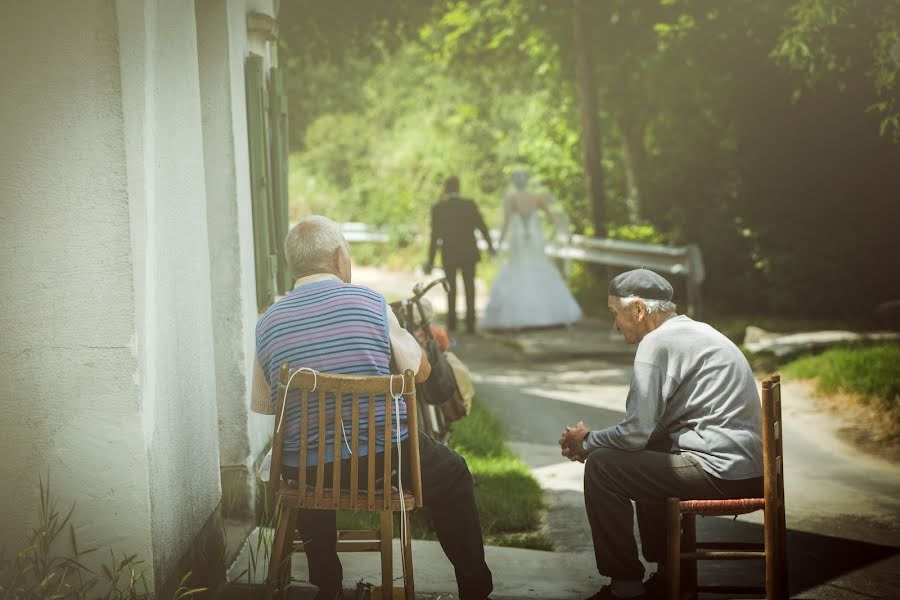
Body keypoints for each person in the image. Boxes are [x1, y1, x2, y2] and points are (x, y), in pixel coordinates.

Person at [251, 216, 494, 600]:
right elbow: (422, 372)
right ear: (338, 258)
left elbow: (265, 406)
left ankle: (326, 583)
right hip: (384, 462)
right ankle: (475, 587)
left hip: (306, 469)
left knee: (313, 465)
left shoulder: (267, 323)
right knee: (454, 473)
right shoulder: (371, 304)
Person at [559, 269, 764, 600]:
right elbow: (648, 434)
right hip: (748, 470)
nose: (615, 325)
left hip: (720, 472)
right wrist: (593, 443)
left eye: (616, 313)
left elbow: (633, 434)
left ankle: (625, 588)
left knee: (603, 467)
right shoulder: (697, 330)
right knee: (645, 452)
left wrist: (586, 442)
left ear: (638, 309)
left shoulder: (657, 343)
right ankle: (670, 576)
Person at [480, 168, 582, 330]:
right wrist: (564, 232)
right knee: (539, 266)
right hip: (535, 237)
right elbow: (552, 218)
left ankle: (522, 316)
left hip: (520, 238)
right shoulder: (536, 197)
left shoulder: (511, 198)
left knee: (519, 267)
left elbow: (506, 224)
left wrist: (498, 244)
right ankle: (551, 314)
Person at [425, 176, 495, 333]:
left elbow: (435, 237)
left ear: (446, 188)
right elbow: (482, 227)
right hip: (469, 252)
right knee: (470, 287)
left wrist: (430, 260)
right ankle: (470, 323)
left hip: (449, 253)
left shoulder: (438, 208)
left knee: (451, 288)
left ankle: (452, 323)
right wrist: (490, 246)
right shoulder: (469, 205)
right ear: (459, 187)